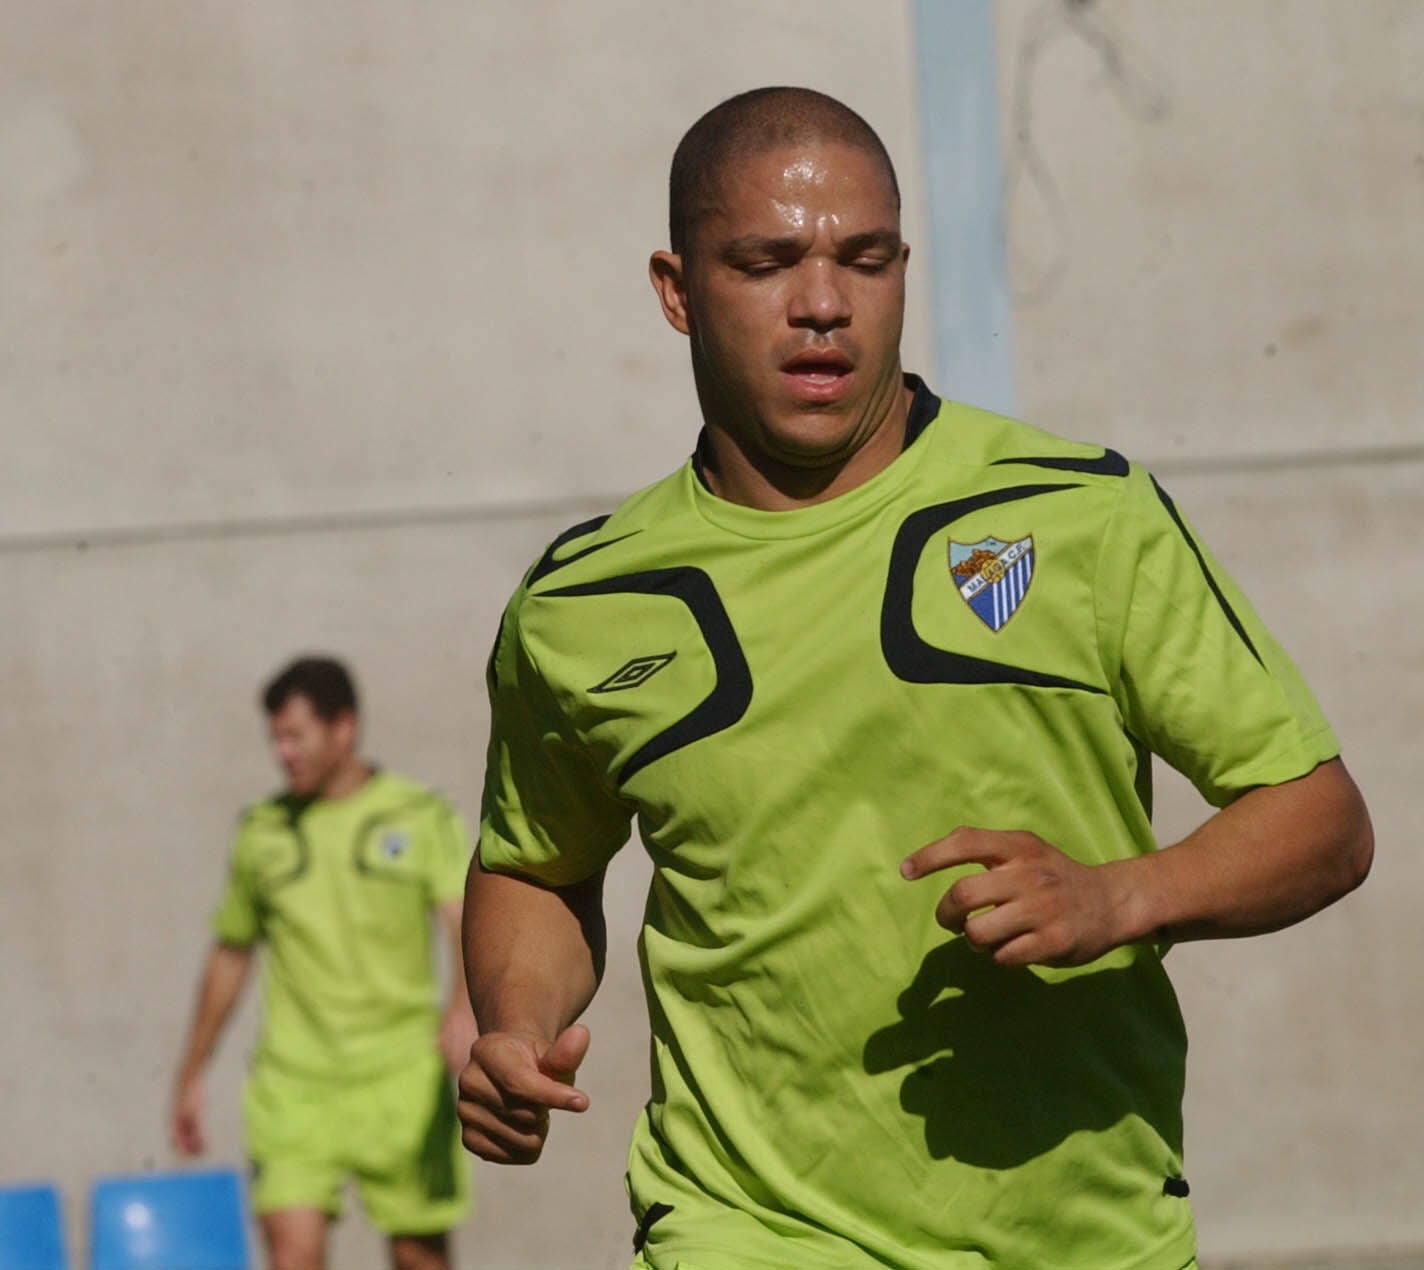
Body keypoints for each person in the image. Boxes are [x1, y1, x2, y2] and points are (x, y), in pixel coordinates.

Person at [456, 87, 1373, 1270]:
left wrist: (1120, 896)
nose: (824, 303)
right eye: (766, 261)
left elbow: (1321, 821)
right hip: (743, 1228)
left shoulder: (1080, 514)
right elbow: (537, 864)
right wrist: (516, 1024)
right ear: (676, 290)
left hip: (1080, 1235)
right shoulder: (578, 604)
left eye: (865, 259)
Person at [171, 656, 475, 1270]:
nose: (283, 754)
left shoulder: (418, 815)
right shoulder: (263, 832)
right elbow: (231, 953)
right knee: (293, 1256)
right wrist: (193, 1069)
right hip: (294, 1086)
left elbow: (467, 921)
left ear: (344, 727)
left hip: (403, 1078)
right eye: (275, 739)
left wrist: (464, 1011)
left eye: (295, 737)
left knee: (421, 1257)